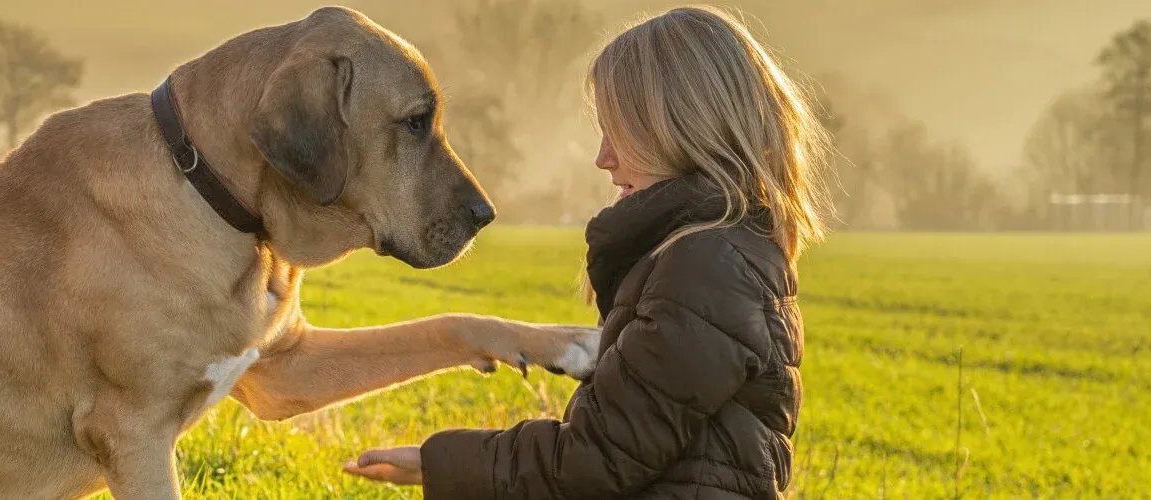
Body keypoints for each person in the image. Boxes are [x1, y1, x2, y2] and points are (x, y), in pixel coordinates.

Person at [342, 5, 829, 498]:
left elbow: (593, 462)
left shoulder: (707, 267)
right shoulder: (713, 255)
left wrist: (438, 462)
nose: (603, 158)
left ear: (683, 129)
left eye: (622, 131)